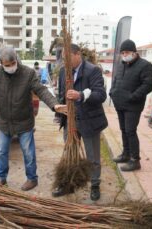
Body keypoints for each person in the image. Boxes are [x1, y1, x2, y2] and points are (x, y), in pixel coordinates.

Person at [0, 47, 66, 191]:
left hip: (24, 120)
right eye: (7, 65)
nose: (10, 67)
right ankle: (1, 177)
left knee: (28, 152)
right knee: (1, 152)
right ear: (1, 63)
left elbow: (41, 90)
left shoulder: (28, 73)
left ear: (16, 60)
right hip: (4, 120)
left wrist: (54, 105)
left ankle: (32, 179)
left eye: (12, 63)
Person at [52, 44, 108, 201]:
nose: (65, 62)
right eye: (63, 59)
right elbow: (62, 94)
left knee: (93, 157)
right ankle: (68, 183)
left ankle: (95, 184)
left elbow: (100, 95)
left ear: (78, 55)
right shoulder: (64, 71)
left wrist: (81, 95)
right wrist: (59, 112)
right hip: (70, 121)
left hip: (89, 121)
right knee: (70, 153)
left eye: (67, 58)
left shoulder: (93, 70)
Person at [110, 39, 152, 171]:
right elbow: (116, 80)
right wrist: (112, 92)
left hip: (133, 105)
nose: (124, 54)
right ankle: (126, 154)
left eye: (127, 52)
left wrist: (133, 96)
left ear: (134, 52)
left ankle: (135, 160)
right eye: (122, 52)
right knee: (123, 130)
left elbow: (147, 85)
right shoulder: (121, 64)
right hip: (120, 104)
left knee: (130, 131)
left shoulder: (145, 65)